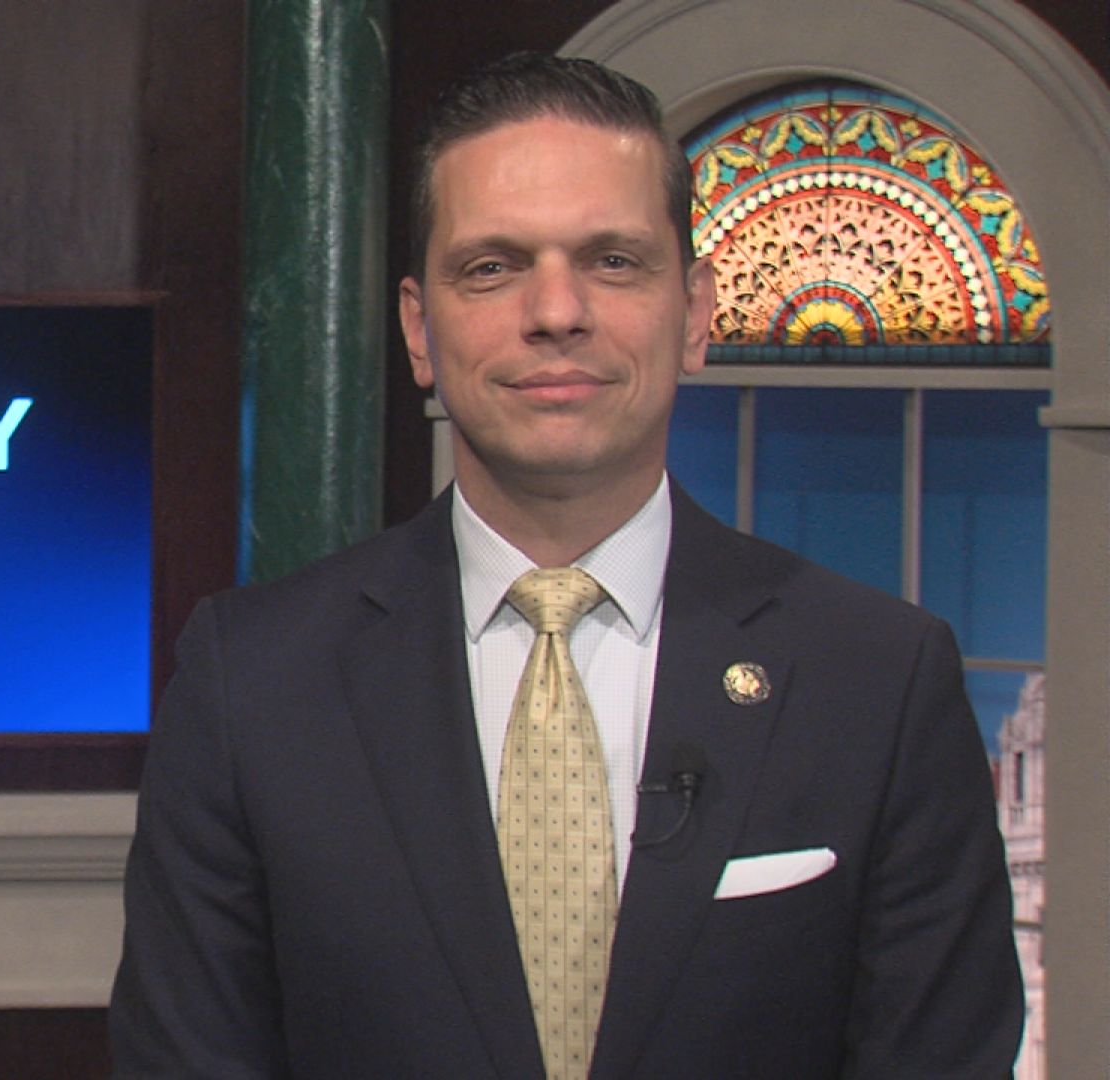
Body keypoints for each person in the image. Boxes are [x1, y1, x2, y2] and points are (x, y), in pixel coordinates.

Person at [109, 53, 1023, 1078]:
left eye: (614, 261)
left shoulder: (879, 680)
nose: (556, 311)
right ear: (418, 329)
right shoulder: (252, 682)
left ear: (697, 313)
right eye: (492, 268)